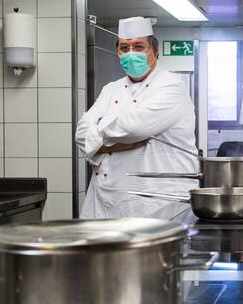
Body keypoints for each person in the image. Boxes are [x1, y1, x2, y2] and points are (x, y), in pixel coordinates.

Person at [75, 16, 199, 218]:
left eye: (139, 47)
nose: (131, 53)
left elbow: (134, 127)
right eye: (124, 48)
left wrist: (98, 135)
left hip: (156, 199)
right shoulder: (111, 89)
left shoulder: (171, 86)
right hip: (106, 196)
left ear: (155, 51)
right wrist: (111, 145)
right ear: (118, 52)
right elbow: (81, 133)